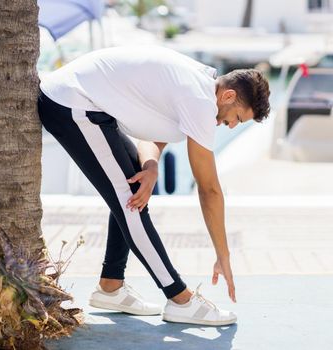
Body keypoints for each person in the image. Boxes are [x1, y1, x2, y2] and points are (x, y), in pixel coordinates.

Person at [37, 45, 270, 326]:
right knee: (130, 202)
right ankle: (179, 299)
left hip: (83, 103)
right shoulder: (201, 100)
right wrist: (223, 255)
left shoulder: (201, 82)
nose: (231, 126)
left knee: (135, 186)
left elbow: (152, 133)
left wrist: (150, 166)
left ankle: (110, 286)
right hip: (72, 103)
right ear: (229, 96)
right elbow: (209, 189)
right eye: (238, 118)